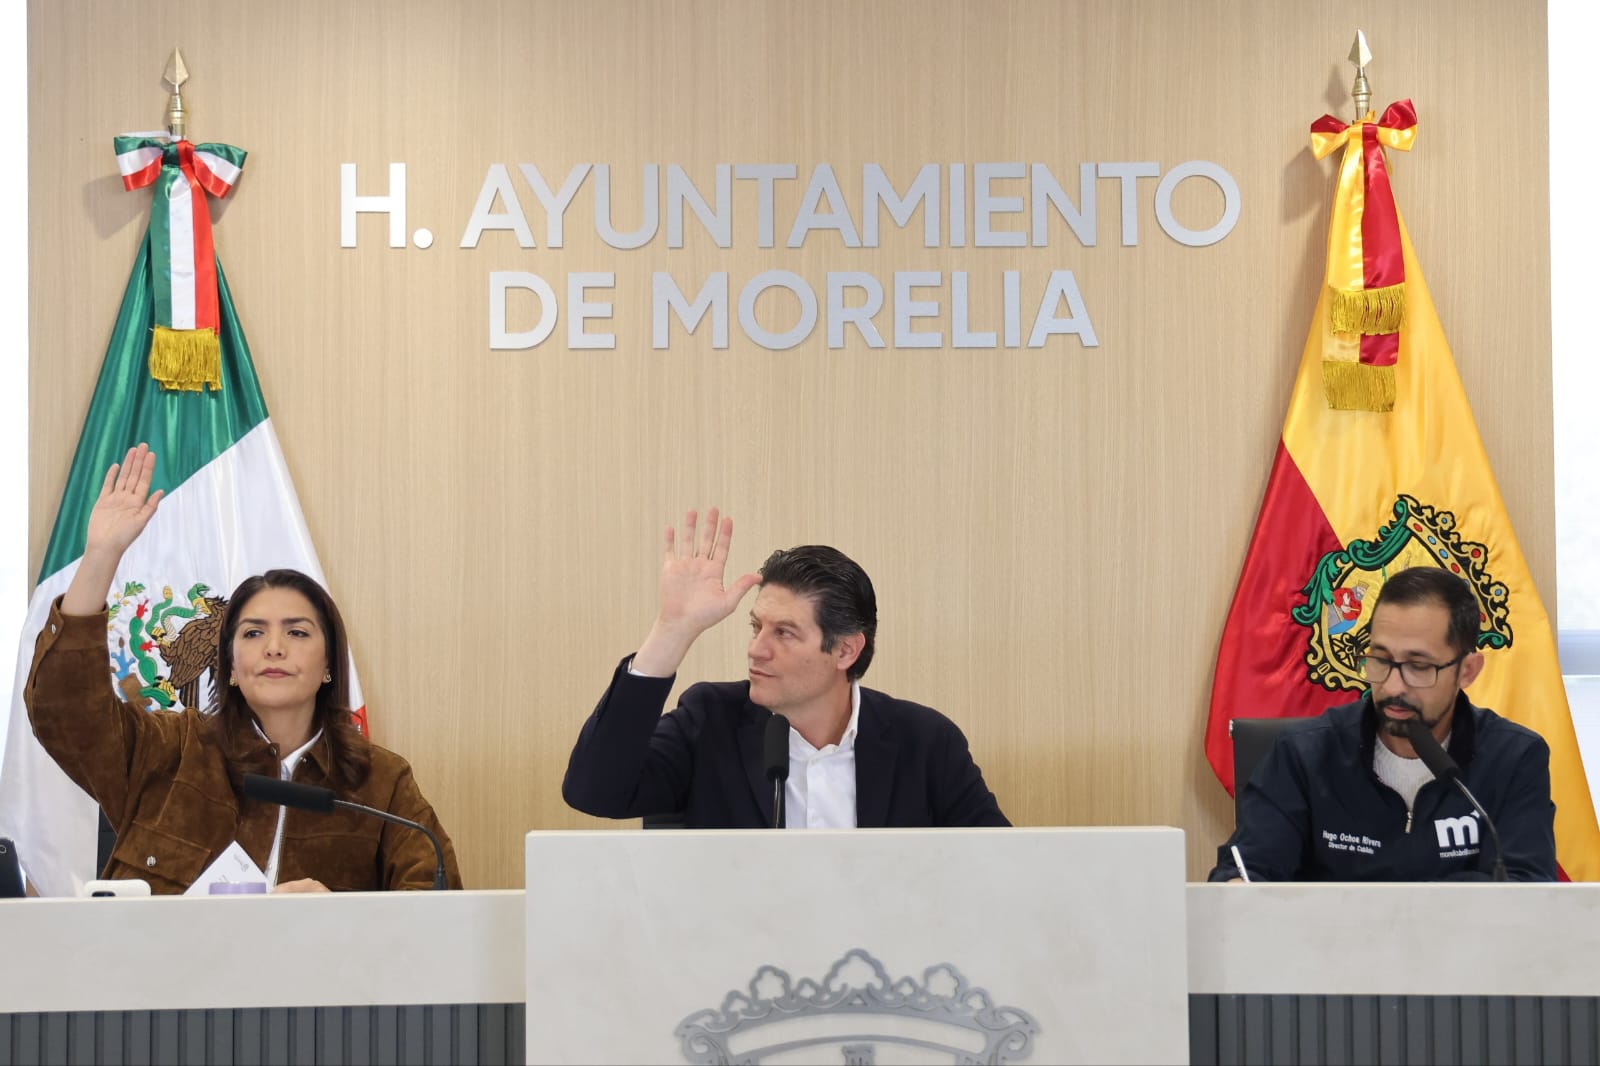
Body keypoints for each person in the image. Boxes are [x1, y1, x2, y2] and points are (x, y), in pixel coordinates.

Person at [25, 444, 462, 893]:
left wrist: (339, 914)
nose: (274, 648)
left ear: (329, 664)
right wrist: (101, 556)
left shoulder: (381, 785)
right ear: (230, 666)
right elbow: (66, 712)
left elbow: (437, 905)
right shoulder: (171, 752)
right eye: (253, 633)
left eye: (297, 632)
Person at [563, 508, 1009, 828]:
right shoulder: (709, 721)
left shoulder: (925, 742)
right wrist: (672, 629)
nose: (756, 650)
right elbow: (594, 791)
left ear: (845, 651)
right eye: (756, 627)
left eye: (785, 633)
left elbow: (1001, 870)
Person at [1210, 566, 1556, 882]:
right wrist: (1237, 887)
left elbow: (1526, 891)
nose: (1392, 687)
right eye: (1380, 659)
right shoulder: (1305, 754)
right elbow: (1245, 872)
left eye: (1418, 666)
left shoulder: (1513, 758)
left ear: (1467, 671)